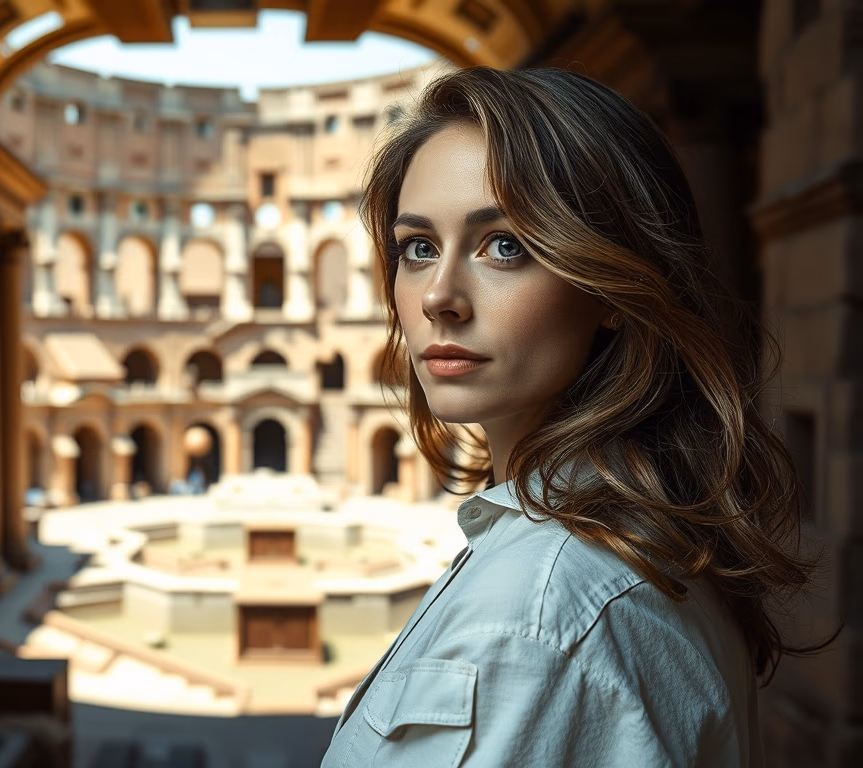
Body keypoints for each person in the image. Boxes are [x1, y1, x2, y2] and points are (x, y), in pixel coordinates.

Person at [321, 67, 834, 767]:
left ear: (613, 288)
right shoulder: (634, 546)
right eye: (418, 247)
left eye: (506, 245)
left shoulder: (536, 617)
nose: (440, 297)